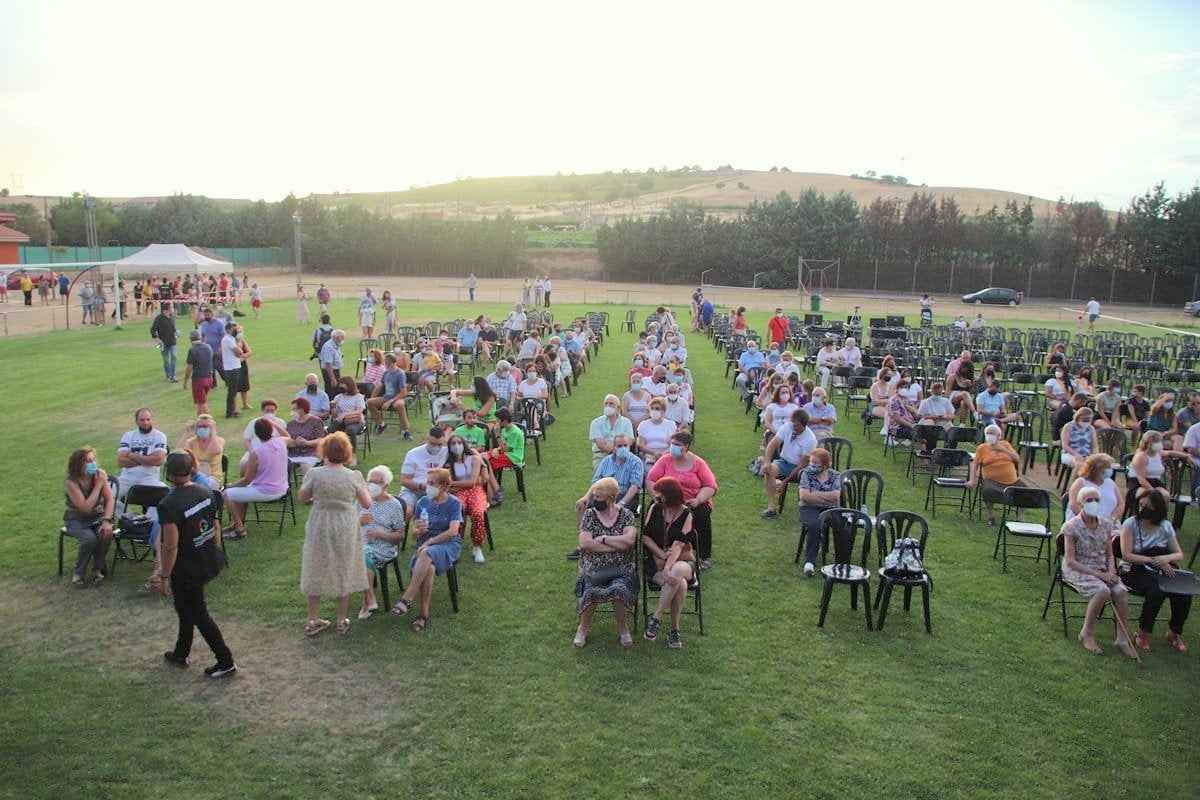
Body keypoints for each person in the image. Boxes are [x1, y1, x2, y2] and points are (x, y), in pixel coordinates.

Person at [298, 432, 372, 636]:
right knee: (344, 566)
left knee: (315, 564)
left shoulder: (314, 473)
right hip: (345, 523)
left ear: (324, 451)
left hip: (320, 521)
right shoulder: (353, 476)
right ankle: (341, 619)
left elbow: (303, 497)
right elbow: (366, 503)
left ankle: (313, 620)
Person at [1061, 484, 1137, 658]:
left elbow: (1110, 553)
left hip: (1102, 567)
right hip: (1079, 569)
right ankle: (1086, 634)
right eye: (1089, 500)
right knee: (1102, 590)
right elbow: (1071, 561)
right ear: (1080, 504)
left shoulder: (1106, 524)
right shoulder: (1071, 527)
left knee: (1121, 591)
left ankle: (1122, 639)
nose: (1093, 503)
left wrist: (1111, 571)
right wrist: (1100, 576)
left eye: (1096, 500)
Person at [389, 468, 463, 633]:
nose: (427, 486)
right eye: (427, 482)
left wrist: (429, 541)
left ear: (443, 486)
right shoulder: (423, 502)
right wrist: (419, 531)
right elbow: (414, 535)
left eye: (432, 483)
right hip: (425, 546)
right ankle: (423, 615)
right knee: (428, 568)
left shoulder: (454, 503)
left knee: (425, 552)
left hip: (448, 544)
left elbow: (453, 531)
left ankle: (408, 597)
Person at [572, 477, 638, 649]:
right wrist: (615, 546)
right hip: (593, 566)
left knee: (619, 588)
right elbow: (584, 543)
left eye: (598, 497)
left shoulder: (626, 515)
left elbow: (629, 541)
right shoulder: (590, 515)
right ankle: (583, 629)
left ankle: (623, 628)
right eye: (594, 496)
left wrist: (602, 539)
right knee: (591, 588)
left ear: (610, 498)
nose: (594, 500)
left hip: (621, 567)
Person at [1120, 491, 1191, 653]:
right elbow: (1127, 555)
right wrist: (1154, 561)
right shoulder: (1130, 524)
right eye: (1141, 505)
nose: (1143, 508)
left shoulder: (1165, 526)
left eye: (1148, 506)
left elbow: (1178, 554)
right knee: (1156, 591)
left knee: (1184, 592)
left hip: (1162, 568)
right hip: (1134, 570)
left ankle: (1174, 632)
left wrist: (1165, 559)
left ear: (1158, 509)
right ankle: (1143, 632)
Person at [647, 431, 717, 571]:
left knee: (702, 515)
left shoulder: (698, 463)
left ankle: (703, 555)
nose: (673, 447)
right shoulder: (665, 460)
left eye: (677, 445)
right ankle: (654, 550)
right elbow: (650, 479)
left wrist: (698, 500)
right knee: (655, 511)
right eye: (672, 444)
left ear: (686, 447)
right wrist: (656, 496)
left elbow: (710, 486)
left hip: (690, 502)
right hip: (667, 501)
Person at [641, 476, 697, 649]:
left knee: (677, 571)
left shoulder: (687, 514)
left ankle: (656, 619)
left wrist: (667, 567)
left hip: (682, 560)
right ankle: (674, 630)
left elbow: (679, 544)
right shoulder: (655, 508)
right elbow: (644, 536)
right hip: (657, 562)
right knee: (679, 585)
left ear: (670, 495)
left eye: (661, 494)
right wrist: (660, 554)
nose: (657, 497)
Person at [223, 418, 289, 539]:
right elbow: (287, 435)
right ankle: (238, 522)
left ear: (256, 434)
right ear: (272, 430)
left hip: (265, 491)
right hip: (282, 488)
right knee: (238, 493)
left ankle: (239, 528)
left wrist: (230, 486)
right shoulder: (281, 442)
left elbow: (247, 480)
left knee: (227, 494)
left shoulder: (256, 453)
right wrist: (273, 423)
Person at [62, 446, 115, 589]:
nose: (92, 464)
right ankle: (78, 573)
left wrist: (107, 521)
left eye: (93, 460)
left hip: (97, 516)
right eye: (87, 461)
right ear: (78, 464)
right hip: (76, 518)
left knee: (105, 533)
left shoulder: (99, 475)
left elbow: (110, 499)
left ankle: (96, 568)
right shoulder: (71, 483)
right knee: (89, 539)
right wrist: (98, 485)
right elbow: (85, 508)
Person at [358, 465, 407, 620]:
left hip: (384, 547)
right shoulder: (361, 500)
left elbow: (401, 535)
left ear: (386, 485)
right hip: (361, 543)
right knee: (360, 551)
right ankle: (370, 597)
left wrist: (381, 534)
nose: (373, 485)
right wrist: (359, 521)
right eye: (371, 481)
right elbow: (347, 524)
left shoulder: (394, 505)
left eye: (378, 482)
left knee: (361, 553)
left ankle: (367, 602)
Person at [965, 424, 1026, 525]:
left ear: (999, 436)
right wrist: (972, 480)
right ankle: (991, 515)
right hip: (992, 480)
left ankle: (1021, 517)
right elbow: (975, 465)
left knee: (1026, 491)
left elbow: (1017, 459)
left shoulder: (1005, 444)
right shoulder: (982, 448)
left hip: (1012, 480)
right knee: (987, 490)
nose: (989, 436)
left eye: (992, 433)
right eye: (987, 434)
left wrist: (1002, 449)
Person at [761, 408, 817, 518]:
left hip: (798, 468)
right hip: (783, 462)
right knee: (769, 470)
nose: (793, 427)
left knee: (779, 473)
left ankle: (778, 483)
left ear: (803, 425)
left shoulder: (810, 440)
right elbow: (772, 444)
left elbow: (802, 465)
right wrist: (767, 462)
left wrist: (785, 481)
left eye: (796, 425)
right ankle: (771, 508)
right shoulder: (787, 427)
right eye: (792, 423)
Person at [796, 447, 842, 577]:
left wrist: (814, 494)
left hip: (831, 509)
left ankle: (841, 562)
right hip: (808, 508)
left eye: (815, 463)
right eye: (811, 462)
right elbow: (804, 496)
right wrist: (826, 497)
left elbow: (836, 497)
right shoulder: (806, 474)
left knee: (842, 525)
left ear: (825, 465)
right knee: (815, 524)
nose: (812, 465)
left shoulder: (835, 475)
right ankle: (810, 562)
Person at [446, 434, 490, 563]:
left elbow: (471, 482)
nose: (456, 446)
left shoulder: (474, 458)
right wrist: (454, 486)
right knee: (458, 511)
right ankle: (456, 543)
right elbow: (448, 487)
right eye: (453, 443)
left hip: (475, 490)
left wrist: (453, 484)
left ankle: (477, 546)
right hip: (458, 493)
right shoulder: (449, 463)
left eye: (459, 442)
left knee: (477, 512)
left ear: (464, 444)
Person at [116, 408, 168, 503]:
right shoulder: (128, 436)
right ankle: (128, 517)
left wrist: (133, 455)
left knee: (165, 495)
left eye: (148, 419)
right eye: (142, 420)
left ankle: (149, 518)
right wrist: (148, 458)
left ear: (152, 420)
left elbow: (158, 461)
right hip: (127, 476)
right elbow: (121, 461)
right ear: (136, 421)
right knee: (104, 496)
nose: (146, 423)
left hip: (149, 477)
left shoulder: (160, 436)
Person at [399, 427, 449, 513]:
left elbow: (467, 451)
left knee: (443, 509)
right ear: (427, 440)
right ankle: (402, 525)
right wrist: (422, 486)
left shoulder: (447, 452)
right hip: (413, 490)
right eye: (433, 444)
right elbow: (404, 480)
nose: (436, 447)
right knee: (406, 511)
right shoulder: (413, 454)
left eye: (439, 445)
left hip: (437, 491)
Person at [1067, 453, 1125, 525]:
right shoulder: (1080, 482)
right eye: (1107, 467)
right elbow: (1073, 505)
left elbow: (1121, 504)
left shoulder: (1111, 483)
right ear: (1097, 469)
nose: (1110, 470)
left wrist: (1112, 519)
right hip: (1084, 524)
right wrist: (1090, 521)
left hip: (1108, 524)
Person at [366, 353, 412, 438]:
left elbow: (403, 392)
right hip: (386, 397)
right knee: (369, 402)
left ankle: (406, 430)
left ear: (390, 362)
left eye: (385, 362)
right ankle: (382, 424)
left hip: (397, 397)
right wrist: (372, 397)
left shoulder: (400, 374)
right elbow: (380, 385)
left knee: (399, 405)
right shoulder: (386, 373)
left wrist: (391, 401)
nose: (384, 364)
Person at [484, 407, 524, 504]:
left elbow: (506, 449)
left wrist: (497, 434)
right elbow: (503, 446)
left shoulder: (515, 432)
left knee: (486, 464)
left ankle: (494, 493)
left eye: (498, 420)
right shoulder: (505, 429)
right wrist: (495, 449)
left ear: (504, 421)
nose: (496, 422)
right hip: (504, 452)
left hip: (513, 457)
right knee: (482, 456)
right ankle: (490, 490)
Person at [590, 394, 635, 468]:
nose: (608, 406)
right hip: (601, 456)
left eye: (611, 404)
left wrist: (618, 450)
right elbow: (602, 445)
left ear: (618, 407)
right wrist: (617, 446)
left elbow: (629, 440)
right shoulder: (596, 423)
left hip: (623, 455)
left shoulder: (626, 422)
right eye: (606, 403)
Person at [179, 414, 224, 486]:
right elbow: (179, 454)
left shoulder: (219, 440)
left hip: (213, 477)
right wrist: (187, 432)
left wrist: (213, 431)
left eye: (205, 426)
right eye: (200, 426)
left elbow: (215, 451)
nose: (202, 429)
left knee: (199, 486)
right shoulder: (192, 442)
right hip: (195, 476)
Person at [286, 396, 326, 476]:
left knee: (304, 464)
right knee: (283, 463)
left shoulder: (315, 421)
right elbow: (287, 438)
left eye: (294, 409)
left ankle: (307, 486)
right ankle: (286, 487)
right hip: (293, 453)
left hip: (311, 453)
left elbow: (321, 439)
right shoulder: (291, 423)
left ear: (302, 410)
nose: (292, 411)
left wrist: (306, 443)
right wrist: (292, 443)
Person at [329, 376, 367, 458]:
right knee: (331, 429)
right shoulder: (338, 397)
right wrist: (333, 407)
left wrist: (345, 414)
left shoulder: (358, 397)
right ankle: (331, 454)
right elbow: (335, 415)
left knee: (350, 430)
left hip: (356, 421)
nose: (340, 387)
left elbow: (359, 411)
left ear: (349, 385)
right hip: (341, 421)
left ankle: (353, 454)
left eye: (343, 385)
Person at [181, 330, 214, 416]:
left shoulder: (192, 350)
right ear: (200, 338)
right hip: (209, 378)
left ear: (190, 339)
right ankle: (199, 420)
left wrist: (185, 381)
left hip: (199, 380)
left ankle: (209, 423)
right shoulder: (208, 347)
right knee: (201, 401)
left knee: (203, 402)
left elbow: (189, 368)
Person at [637, 397, 677, 466]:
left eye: (657, 409)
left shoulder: (670, 425)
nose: (654, 410)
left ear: (663, 411)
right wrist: (654, 453)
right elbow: (642, 445)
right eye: (652, 408)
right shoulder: (643, 425)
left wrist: (662, 454)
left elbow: (672, 444)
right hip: (648, 456)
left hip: (666, 455)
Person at [220, 322, 246, 418]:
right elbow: (239, 352)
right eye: (233, 329)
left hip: (233, 367)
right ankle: (230, 411)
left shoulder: (230, 339)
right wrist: (240, 350)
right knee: (232, 391)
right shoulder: (228, 340)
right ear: (228, 330)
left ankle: (232, 410)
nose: (235, 331)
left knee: (233, 390)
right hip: (232, 368)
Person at [1060, 406, 1098, 471]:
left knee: (1099, 466)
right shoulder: (1068, 426)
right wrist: (1076, 454)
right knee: (1082, 466)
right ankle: (1077, 480)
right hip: (1071, 454)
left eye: (1088, 421)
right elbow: (1065, 445)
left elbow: (1094, 446)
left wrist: (1093, 455)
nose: (1086, 423)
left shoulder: (1091, 429)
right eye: (1084, 421)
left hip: (1086, 455)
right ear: (1078, 418)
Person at [150, 302, 179, 382]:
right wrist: (158, 340)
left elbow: (173, 328)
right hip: (163, 343)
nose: (173, 308)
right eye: (172, 306)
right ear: (167, 308)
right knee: (166, 360)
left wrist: (176, 332)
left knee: (174, 356)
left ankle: (173, 376)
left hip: (172, 341)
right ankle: (168, 376)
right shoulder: (159, 318)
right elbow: (153, 330)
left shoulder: (171, 317)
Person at [319, 329, 347, 398]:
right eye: (342, 338)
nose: (343, 340)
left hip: (335, 371)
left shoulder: (335, 345)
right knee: (332, 391)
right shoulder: (329, 347)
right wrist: (333, 379)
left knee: (336, 390)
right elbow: (328, 365)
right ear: (337, 338)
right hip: (331, 372)